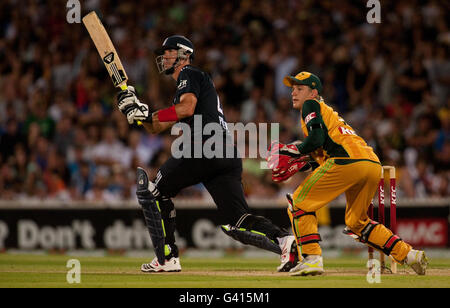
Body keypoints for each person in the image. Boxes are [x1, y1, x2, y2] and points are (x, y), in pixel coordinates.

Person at [116, 35, 298, 273]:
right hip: (225, 153)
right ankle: (285, 240)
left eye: (170, 52)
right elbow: (157, 126)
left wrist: (148, 113)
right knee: (236, 222)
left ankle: (167, 257)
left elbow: (186, 109)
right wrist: (137, 114)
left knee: (154, 193)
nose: (165, 56)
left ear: (185, 55)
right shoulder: (191, 82)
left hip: (203, 146)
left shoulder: (189, 74)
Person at [267, 71, 428, 276]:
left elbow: (316, 140)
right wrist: (303, 162)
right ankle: (409, 254)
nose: (293, 93)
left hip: (346, 161)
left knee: (298, 203)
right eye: (293, 89)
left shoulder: (311, 105)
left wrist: (292, 150)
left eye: (300, 89)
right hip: (370, 163)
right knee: (357, 224)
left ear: (313, 92)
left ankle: (311, 258)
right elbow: (323, 153)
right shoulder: (329, 114)